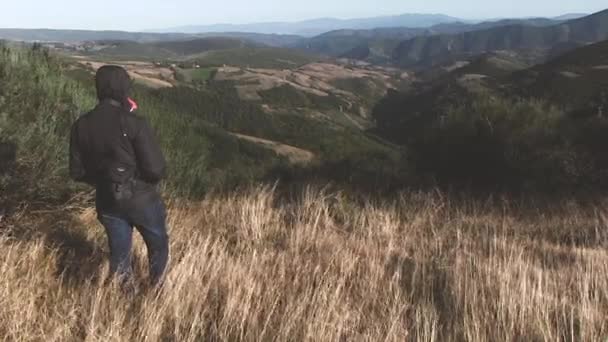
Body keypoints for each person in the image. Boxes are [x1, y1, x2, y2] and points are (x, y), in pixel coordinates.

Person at [69, 65, 169, 287]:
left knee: (119, 254)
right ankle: (157, 289)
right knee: (158, 244)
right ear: (124, 87)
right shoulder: (134, 123)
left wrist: (105, 180)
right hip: (141, 198)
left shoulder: (80, 125)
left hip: (106, 199)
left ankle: (124, 298)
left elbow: (77, 172)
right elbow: (156, 169)